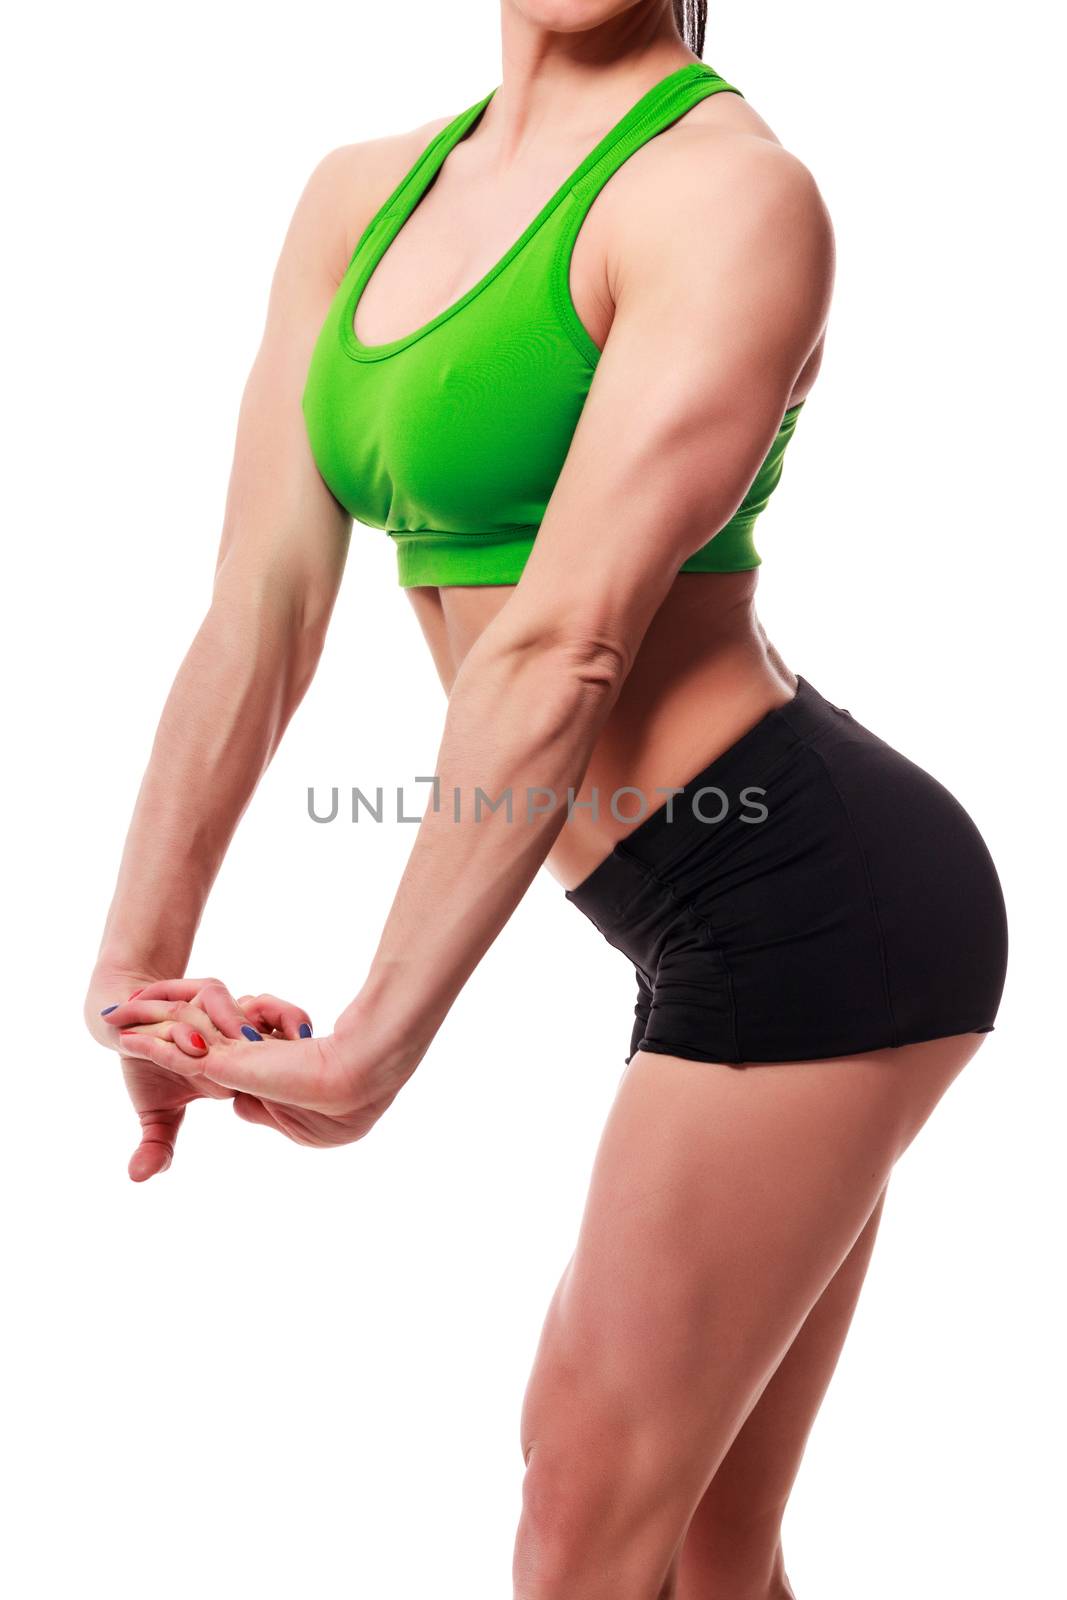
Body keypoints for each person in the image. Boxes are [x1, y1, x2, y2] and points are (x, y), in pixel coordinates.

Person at [84, 3, 1008, 1596]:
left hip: (813, 908)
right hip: (700, 910)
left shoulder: (721, 193)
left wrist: (377, 1037)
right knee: (712, 1549)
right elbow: (259, 616)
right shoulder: (356, 197)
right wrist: (133, 974)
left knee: (580, 1527)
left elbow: (561, 646)